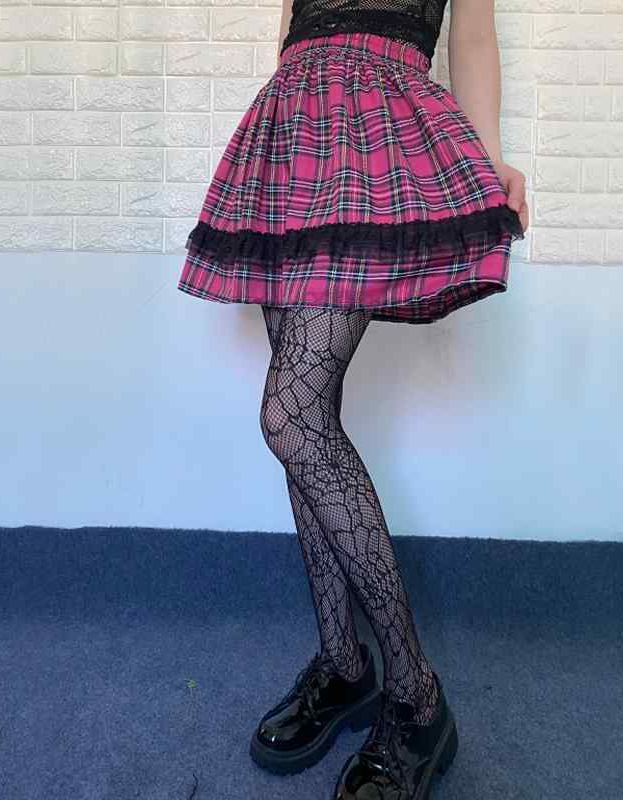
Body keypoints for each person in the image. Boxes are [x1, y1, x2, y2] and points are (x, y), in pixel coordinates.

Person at [178, 0, 529, 797]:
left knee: (291, 415)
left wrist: (490, 157)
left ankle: (417, 700)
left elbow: (473, 35)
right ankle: (343, 664)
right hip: (293, 131)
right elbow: (291, 30)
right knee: (307, 415)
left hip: (379, 133)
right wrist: (280, 133)